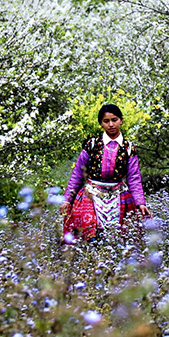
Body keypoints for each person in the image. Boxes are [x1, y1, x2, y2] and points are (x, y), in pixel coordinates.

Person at [61, 104, 151, 244]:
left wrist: (140, 203)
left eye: (114, 120)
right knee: (89, 236)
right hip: (91, 195)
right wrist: (67, 199)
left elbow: (134, 178)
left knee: (120, 239)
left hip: (119, 196)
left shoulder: (128, 148)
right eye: (106, 121)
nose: (111, 125)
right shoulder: (92, 145)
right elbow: (78, 173)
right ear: (101, 123)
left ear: (121, 120)